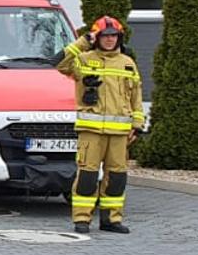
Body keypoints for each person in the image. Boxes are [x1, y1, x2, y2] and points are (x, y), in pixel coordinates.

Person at [56, 15, 144, 234]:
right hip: (91, 132)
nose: (109, 40)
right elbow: (58, 62)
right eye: (104, 36)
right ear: (97, 37)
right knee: (87, 176)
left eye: (113, 36)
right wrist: (84, 40)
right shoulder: (84, 60)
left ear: (119, 38)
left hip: (120, 133)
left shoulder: (127, 63)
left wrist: (138, 124)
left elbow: (136, 97)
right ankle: (82, 219)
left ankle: (111, 220)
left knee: (117, 178)